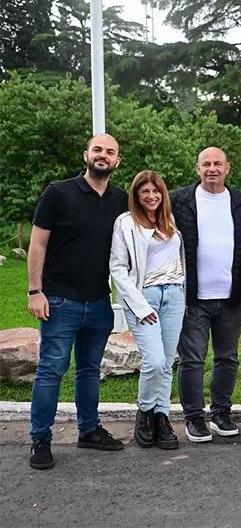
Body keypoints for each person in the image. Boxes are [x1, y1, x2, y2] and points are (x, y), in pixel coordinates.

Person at [27, 134, 128, 470]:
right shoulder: (58, 193)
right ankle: (40, 438)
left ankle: (88, 430)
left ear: (117, 160)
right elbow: (38, 244)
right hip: (58, 301)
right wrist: (34, 291)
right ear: (86, 154)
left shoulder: (121, 201)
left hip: (99, 302)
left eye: (110, 152)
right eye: (98, 149)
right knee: (51, 371)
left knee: (89, 371)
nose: (103, 155)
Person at [171, 147, 241, 443]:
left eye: (218, 163)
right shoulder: (179, 200)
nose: (212, 168)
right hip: (193, 297)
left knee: (227, 357)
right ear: (197, 168)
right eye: (206, 164)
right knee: (192, 359)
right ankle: (193, 417)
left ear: (227, 168)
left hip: (230, 296)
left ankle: (220, 413)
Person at [110, 170, 184, 450]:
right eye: (145, 192)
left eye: (156, 191)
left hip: (174, 295)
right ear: (136, 195)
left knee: (166, 362)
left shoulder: (169, 220)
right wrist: (140, 306)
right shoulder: (126, 223)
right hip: (145, 298)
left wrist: (181, 292)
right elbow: (118, 267)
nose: (151, 196)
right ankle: (145, 412)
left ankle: (161, 416)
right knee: (153, 361)